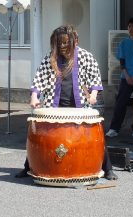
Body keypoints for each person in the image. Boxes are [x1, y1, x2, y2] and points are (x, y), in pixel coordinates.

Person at [16, 25, 118, 180]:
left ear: (74, 42)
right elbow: (39, 79)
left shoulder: (85, 56)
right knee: (41, 138)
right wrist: (34, 97)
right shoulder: (51, 58)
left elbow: (94, 77)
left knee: (95, 138)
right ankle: (29, 166)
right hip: (54, 104)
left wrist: (93, 94)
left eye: (65, 43)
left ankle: (108, 168)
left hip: (80, 105)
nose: (62, 46)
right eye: (59, 43)